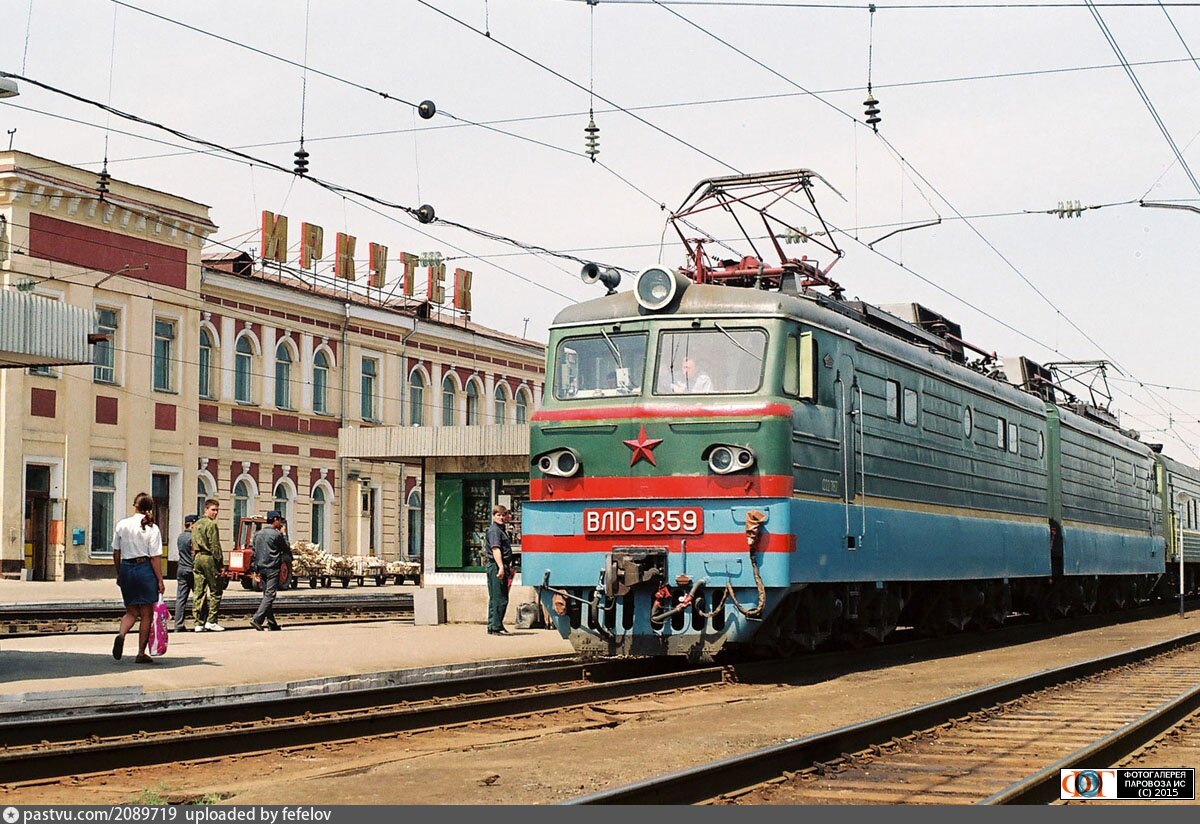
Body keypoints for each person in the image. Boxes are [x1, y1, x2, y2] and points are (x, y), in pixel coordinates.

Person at [111, 492, 166, 664]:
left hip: (127, 568)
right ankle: (141, 653)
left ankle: (121, 635)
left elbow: (116, 552)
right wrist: (160, 580)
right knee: (146, 613)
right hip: (145, 569)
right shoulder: (152, 528)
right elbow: (155, 558)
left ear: (135, 505)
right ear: (149, 508)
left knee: (131, 611)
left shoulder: (122, 524)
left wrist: (119, 572)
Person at [250, 510, 292, 632]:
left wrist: (254, 569)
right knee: (270, 595)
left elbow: (254, 552)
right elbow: (286, 548)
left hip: (260, 568)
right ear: (275, 520)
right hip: (272, 567)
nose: (281, 522)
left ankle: (272, 623)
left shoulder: (258, 534)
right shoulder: (277, 535)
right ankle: (257, 619)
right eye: (279, 520)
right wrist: (284, 535)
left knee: (266, 596)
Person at [191, 498, 226, 632]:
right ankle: (211, 621)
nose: (215, 513)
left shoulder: (196, 524)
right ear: (206, 509)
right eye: (213, 510)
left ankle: (198, 622)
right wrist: (221, 564)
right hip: (209, 558)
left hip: (198, 557)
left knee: (198, 590)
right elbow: (215, 545)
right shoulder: (211, 525)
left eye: (217, 510)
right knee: (216, 590)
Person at [485, 504, 515, 636]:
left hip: (500, 565)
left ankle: (494, 626)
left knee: (497, 597)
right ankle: (496, 627)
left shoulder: (501, 530)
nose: (501, 517)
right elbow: (496, 549)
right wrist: (501, 567)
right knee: (499, 597)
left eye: (503, 515)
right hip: (496, 566)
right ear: (493, 516)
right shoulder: (495, 531)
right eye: (498, 515)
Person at [174, 514, 201, 632]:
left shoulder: (180, 537)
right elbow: (195, 554)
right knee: (199, 597)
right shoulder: (193, 538)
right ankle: (200, 622)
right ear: (191, 524)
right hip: (192, 570)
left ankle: (178, 624)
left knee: (181, 598)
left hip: (181, 569)